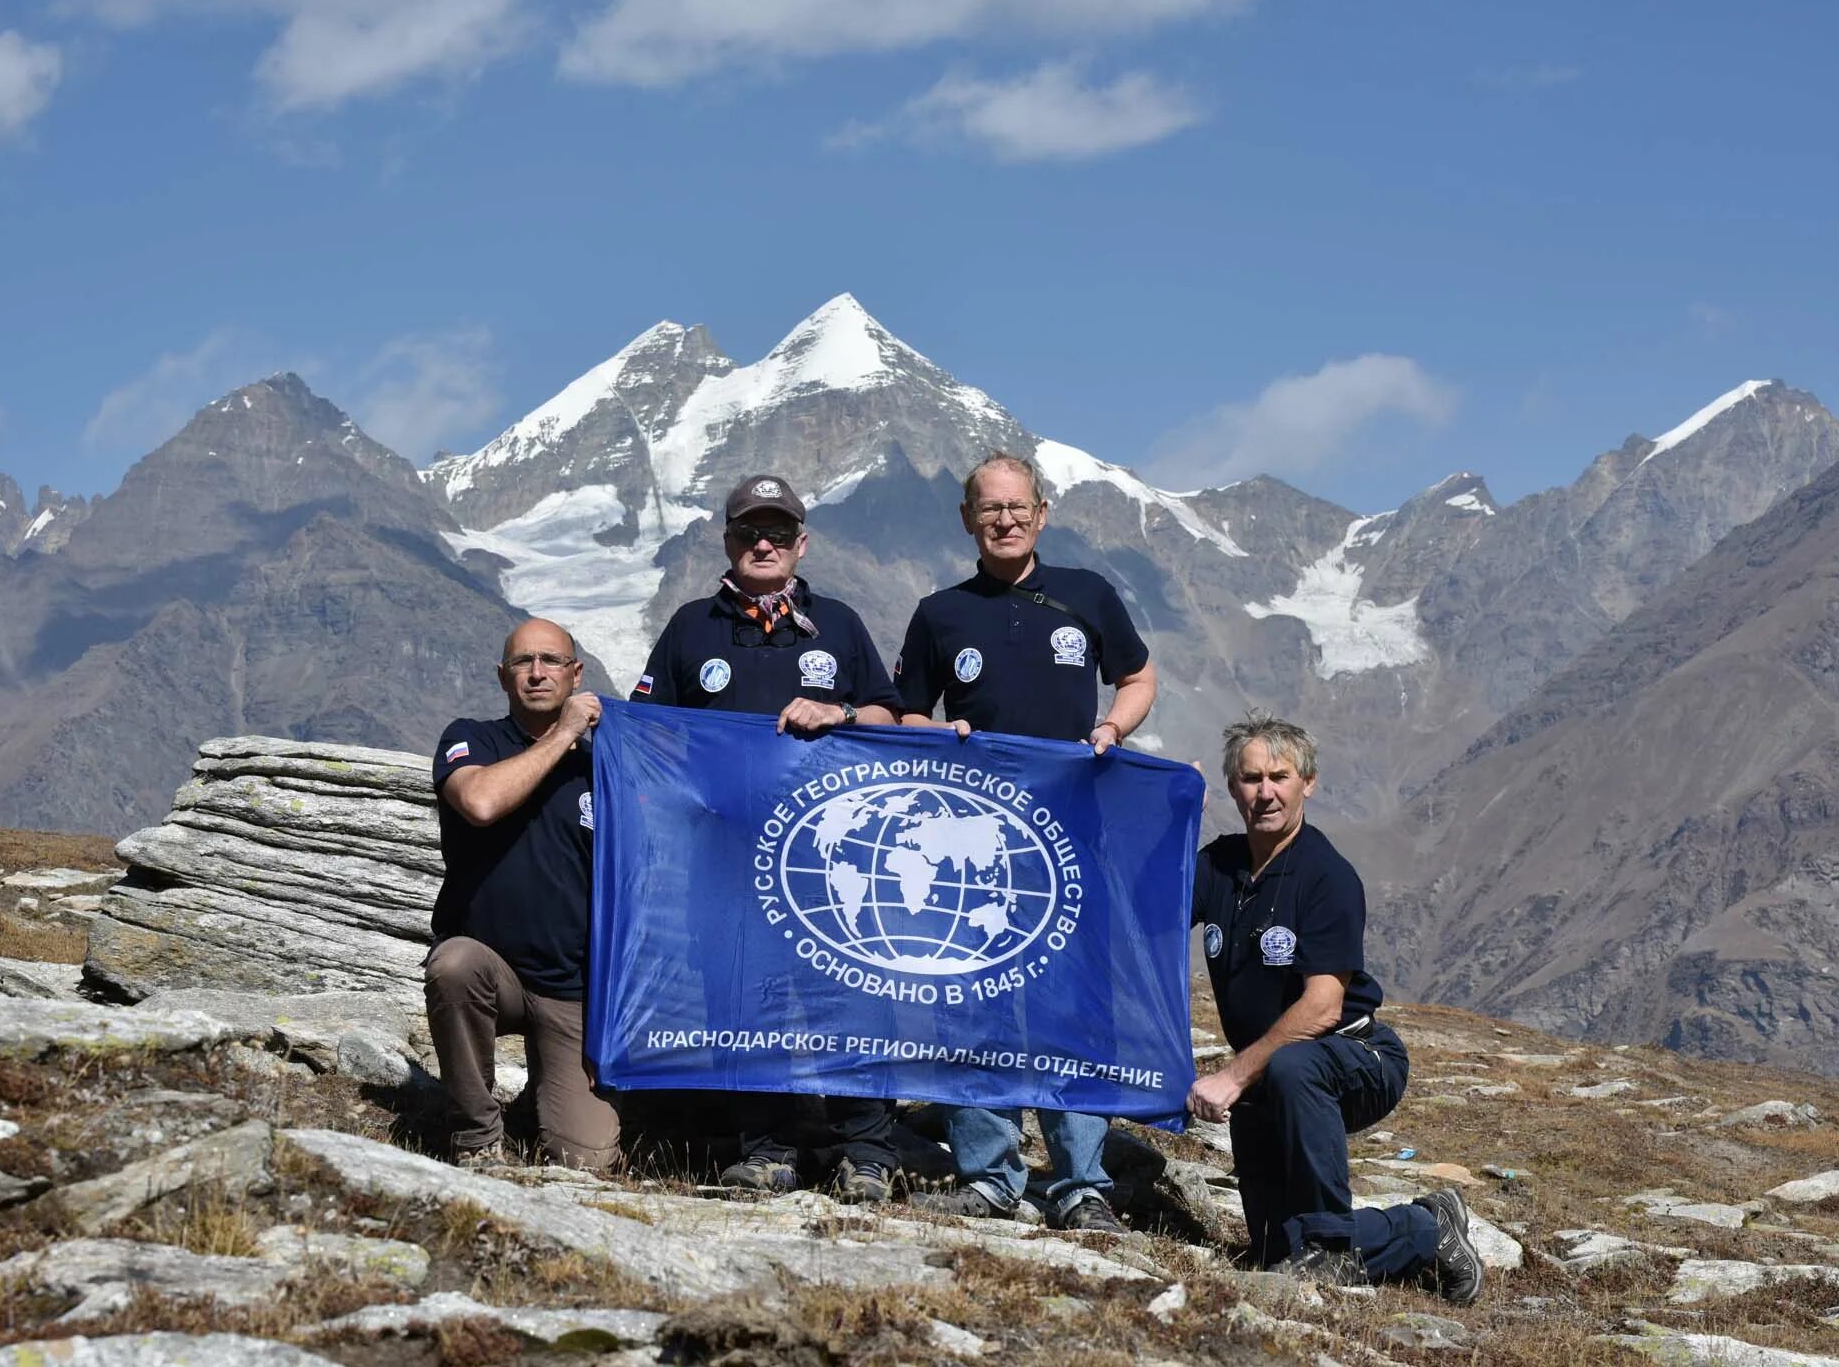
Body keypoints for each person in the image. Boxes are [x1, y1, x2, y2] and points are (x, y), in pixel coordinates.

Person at [894, 451, 1157, 1235]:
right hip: (971, 840)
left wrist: (1112, 726)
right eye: (988, 508)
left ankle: (1082, 1182)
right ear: (968, 519)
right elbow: (903, 713)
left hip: (1071, 834)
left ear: (1042, 513)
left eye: (1017, 507)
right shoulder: (941, 612)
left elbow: (1139, 678)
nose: (1004, 520)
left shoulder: (1088, 594)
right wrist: (943, 734)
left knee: (1074, 1002)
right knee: (974, 996)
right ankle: (989, 1176)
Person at [631, 472, 902, 1202]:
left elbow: (890, 719)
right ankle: (765, 1146)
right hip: (725, 861)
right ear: (726, 540)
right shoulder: (692, 627)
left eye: (778, 533)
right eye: (750, 531)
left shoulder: (839, 624)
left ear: (800, 543)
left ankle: (867, 1153)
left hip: (832, 858)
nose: (763, 543)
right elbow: (647, 733)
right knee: (742, 996)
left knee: (851, 996)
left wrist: (840, 714)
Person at [1186, 711, 1482, 1301]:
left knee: (1297, 1064)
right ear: (1230, 788)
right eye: (1249, 779)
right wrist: (1167, 810)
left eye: (1279, 776)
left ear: (1308, 783)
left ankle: (1330, 1248)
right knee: (1274, 1251)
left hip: (1355, 1056)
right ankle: (1426, 1227)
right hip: (1269, 1077)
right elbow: (1137, 904)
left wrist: (1232, 1076)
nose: (1264, 793)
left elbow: (1322, 1008)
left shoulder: (1327, 876)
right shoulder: (1217, 867)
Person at [426, 617, 617, 1171]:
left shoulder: (604, 763)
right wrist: (563, 734)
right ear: (502, 676)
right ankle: (477, 1136)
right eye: (522, 663)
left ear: (575, 673)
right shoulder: (472, 738)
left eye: (552, 661)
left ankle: (543, 1099)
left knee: (586, 1159)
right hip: (493, 969)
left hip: (573, 985)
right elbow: (480, 803)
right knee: (453, 966)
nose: (537, 673)